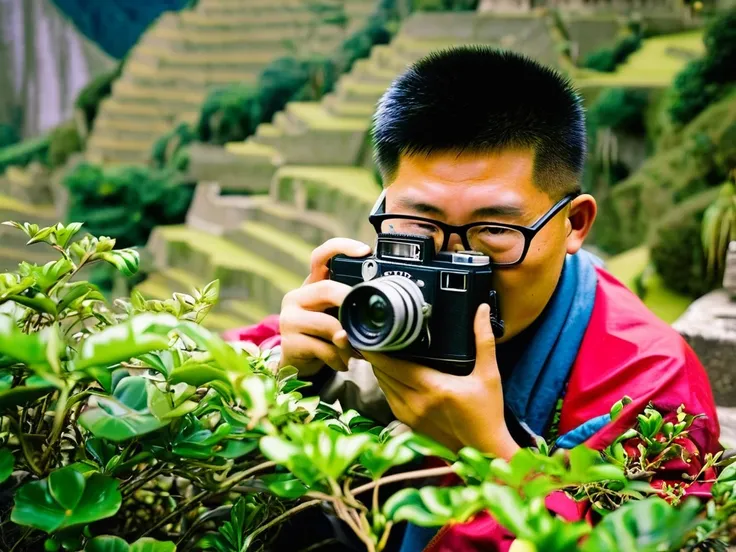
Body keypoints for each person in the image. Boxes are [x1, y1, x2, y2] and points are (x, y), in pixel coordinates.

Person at [225, 46, 721, 551]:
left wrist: (489, 453)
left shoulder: (651, 387)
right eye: (419, 224)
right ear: (381, 204)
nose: (454, 261)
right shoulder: (370, 302)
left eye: (493, 230)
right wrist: (287, 371)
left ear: (574, 224)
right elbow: (202, 378)